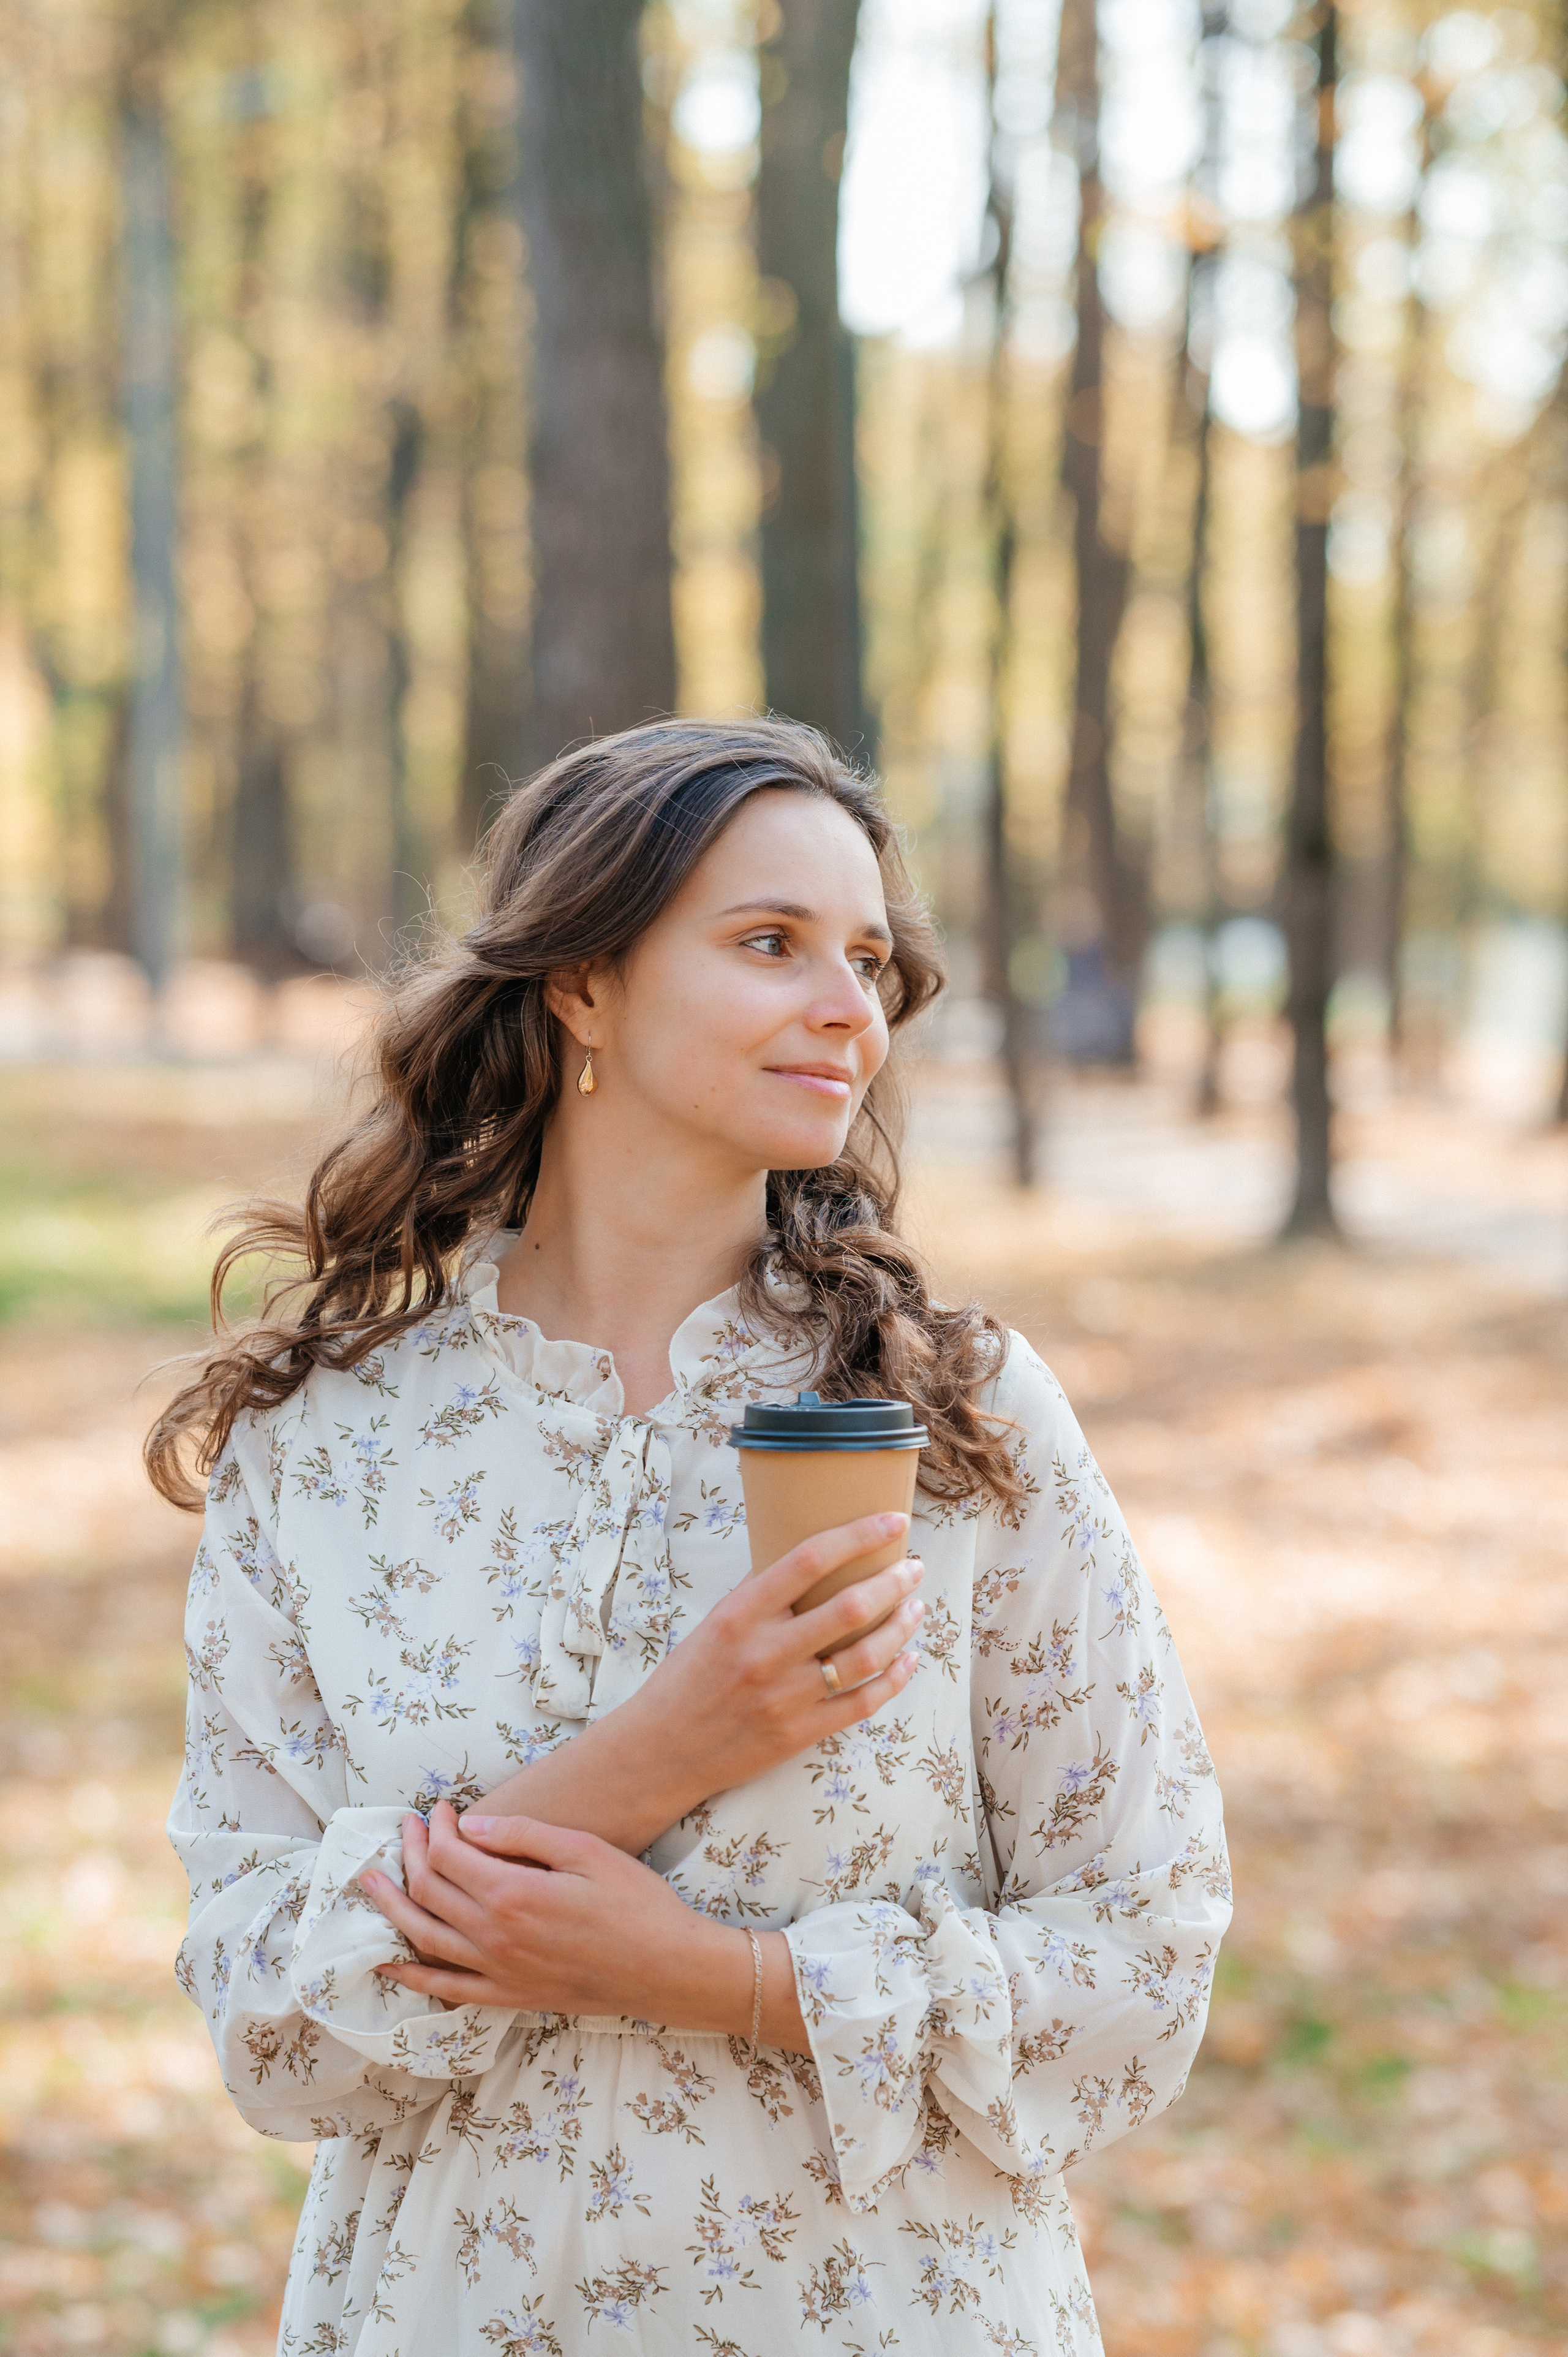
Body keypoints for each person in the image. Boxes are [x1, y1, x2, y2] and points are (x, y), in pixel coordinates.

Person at [151, 717, 1231, 2356]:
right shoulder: (329, 1439)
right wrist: (663, 1751)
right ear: (582, 983)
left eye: (867, 959)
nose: (850, 1007)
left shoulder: (963, 1417)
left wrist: (726, 1982)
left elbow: (1146, 1953)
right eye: (770, 942)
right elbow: (265, 2025)